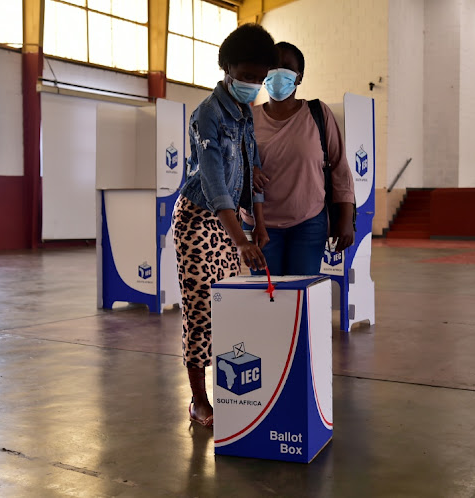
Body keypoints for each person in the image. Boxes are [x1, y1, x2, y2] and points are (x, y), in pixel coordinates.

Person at [172, 24, 277, 428]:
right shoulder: (207, 115)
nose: (254, 84)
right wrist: (242, 240)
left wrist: (259, 226)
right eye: (248, 75)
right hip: (201, 222)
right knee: (200, 310)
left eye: (260, 78)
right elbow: (215, 184)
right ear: (228, 67)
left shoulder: (246, 115)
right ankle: (199, 400)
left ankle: (229, 392)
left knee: (229, 310)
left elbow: (253, 172)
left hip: (231, 223)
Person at [242, 42, 355, 276]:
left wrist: (346, 219)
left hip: (308, 224)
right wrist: (247, 171)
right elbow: (230, 165)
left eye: (285, 67)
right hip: (260, 226)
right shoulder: (249, 119)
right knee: (267, 298)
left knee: (301, 298)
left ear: (299, 77)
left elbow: (340, 169)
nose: (277, 72)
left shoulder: (318, 113)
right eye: (272, 66)